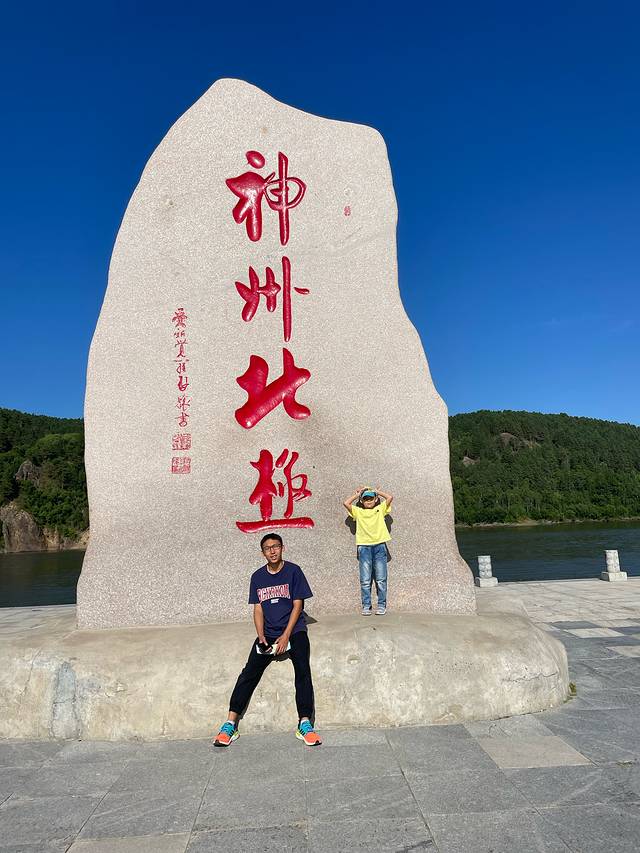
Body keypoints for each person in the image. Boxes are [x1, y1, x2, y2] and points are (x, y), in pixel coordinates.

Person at [213, 532, 322, 747]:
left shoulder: (294, 571)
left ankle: (305, 723)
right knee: (249, 673)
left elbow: (298, 605)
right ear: (262, 552)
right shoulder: (257, 577)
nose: (272, 551)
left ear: (282, 548)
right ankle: (230, 723)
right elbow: (258, 609)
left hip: (294, 631)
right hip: (268, 632)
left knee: (302, 670)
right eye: (267, 548)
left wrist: (286, 635)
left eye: (276, 546)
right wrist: (261, 635)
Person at [343, 486, 393, 616]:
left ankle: (381, 605)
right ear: (362, 501)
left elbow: (390, 498)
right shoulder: (358, 511)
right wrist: (358, 494)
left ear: (376, 499)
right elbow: (346, 503)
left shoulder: (380, 509)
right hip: (364, 547)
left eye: (371, 498)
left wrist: (377, 492)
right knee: (365, 580)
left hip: (379, 546)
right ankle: (366, 605)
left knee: (381, 579)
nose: (369, 501)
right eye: (366, 499)